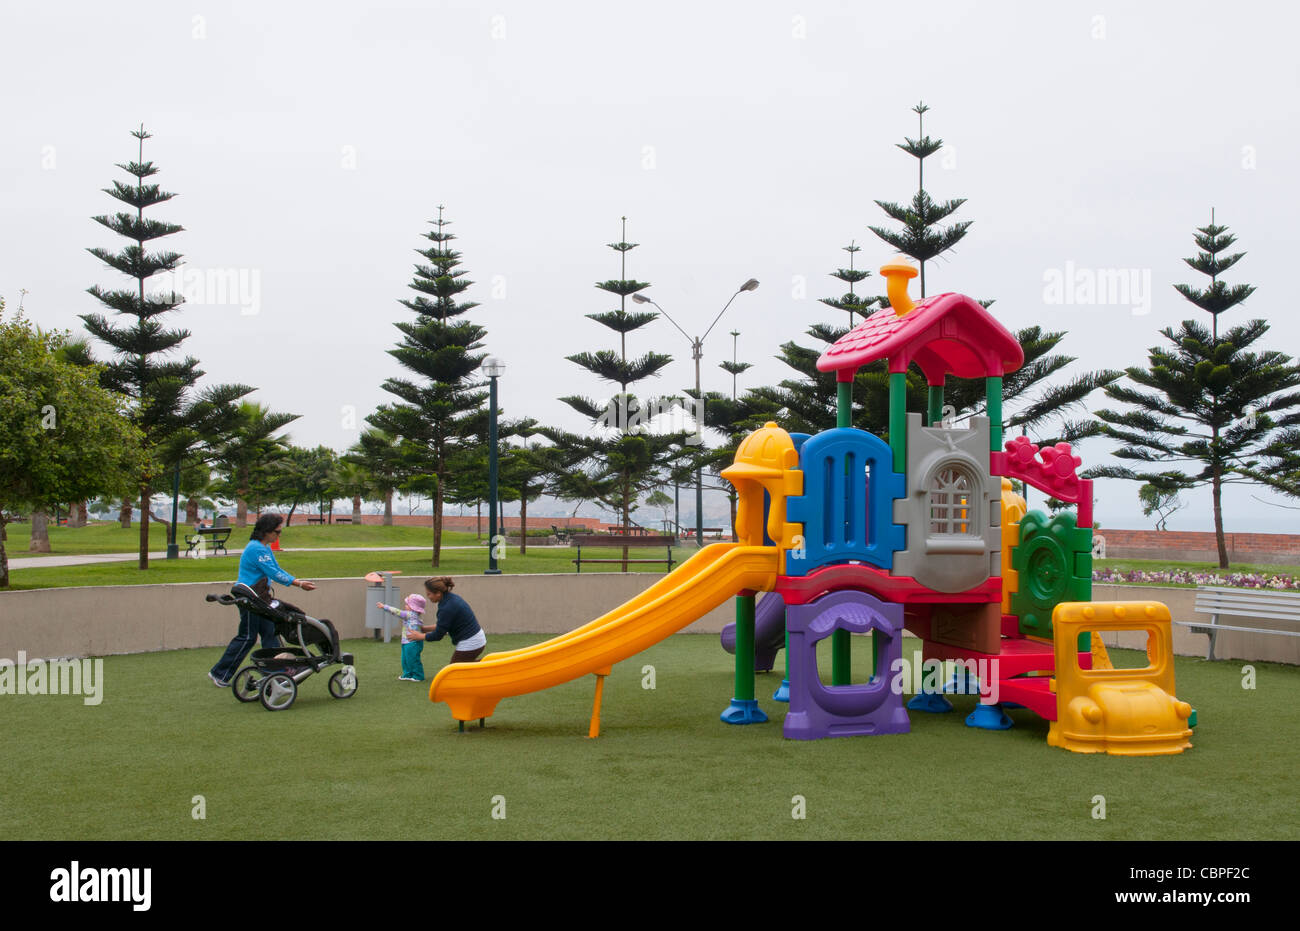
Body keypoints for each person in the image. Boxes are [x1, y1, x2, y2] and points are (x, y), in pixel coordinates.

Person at [208, 513, 317, 686]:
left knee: (269, 634)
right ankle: (220, 673)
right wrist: (298, 583)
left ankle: (277, 672)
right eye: (277, 532)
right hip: (250, 597)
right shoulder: (256, 549)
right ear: (266, 531)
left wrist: (297, 580)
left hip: (259, 598)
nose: (279, 535)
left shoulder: (264, 547)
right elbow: (274, 573)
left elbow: (276, 569)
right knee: (247, 637)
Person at [405, 577, 486, 663]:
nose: (428, 597)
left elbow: (438, 635)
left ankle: (491, 667)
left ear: (438, 593)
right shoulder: (450, 599)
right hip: (476, 639)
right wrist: (425, 629)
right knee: (464, 665)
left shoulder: (446, 608)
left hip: (471, 642)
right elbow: (443, 625)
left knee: (455, 670)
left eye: (429, 594)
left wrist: (419, 636)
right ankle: (489, 665)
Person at [376, 593, 429, 681]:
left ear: (413, 607)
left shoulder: (410, 614)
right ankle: (407, 674)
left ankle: (418, 675)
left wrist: (384, 606)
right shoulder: (415, 616)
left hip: (412, 642)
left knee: (413, 659)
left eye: (407, 604)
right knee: (405, 659)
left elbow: (397, 612)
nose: (405, 605)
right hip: (407, 641)